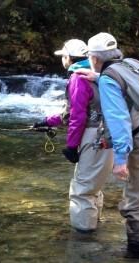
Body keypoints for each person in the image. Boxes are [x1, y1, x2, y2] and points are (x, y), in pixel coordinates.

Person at [80, 32, 139, 259]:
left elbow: (119, 120)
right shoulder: (133, 63)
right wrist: (97, 77)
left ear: (94, 57)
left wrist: (121, 160)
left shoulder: (108, 80)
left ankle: (138, 254)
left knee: (135, 201)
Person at [33, 39, 113, 233]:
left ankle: (83, 239)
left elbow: (77, 116)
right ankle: (94, 227)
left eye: (63, 56)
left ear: (68, 58)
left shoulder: (78, 77)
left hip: (94, 135)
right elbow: (73, 113)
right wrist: (48, 121)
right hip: (110, 134)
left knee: (82, 190)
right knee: (93, 185)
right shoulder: (98, 74)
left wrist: (71, 146)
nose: (63, 60)